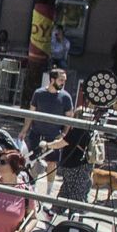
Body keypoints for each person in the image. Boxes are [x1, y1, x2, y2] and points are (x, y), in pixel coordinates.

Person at [39, 94, 96, 211]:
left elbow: (61, 143)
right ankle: (56, 210)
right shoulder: (90, 131)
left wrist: (47, 145)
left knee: (74, 192)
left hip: (75, 166)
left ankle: (74, 215)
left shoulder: (77, 132)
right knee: (68, 189)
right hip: (85, 165)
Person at [20, 68, 72, 196]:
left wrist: (64, 134)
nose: (63, 83)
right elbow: (31, 113)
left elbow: (69, 118)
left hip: (53, 135)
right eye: (60, 80)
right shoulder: (39, 93)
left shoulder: (65, 97)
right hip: (37, 133)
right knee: (33, 161)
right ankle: (32, 188)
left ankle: (48, 192)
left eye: (64, 81)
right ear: (52, 79)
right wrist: (24, 131)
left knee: (52, 163)